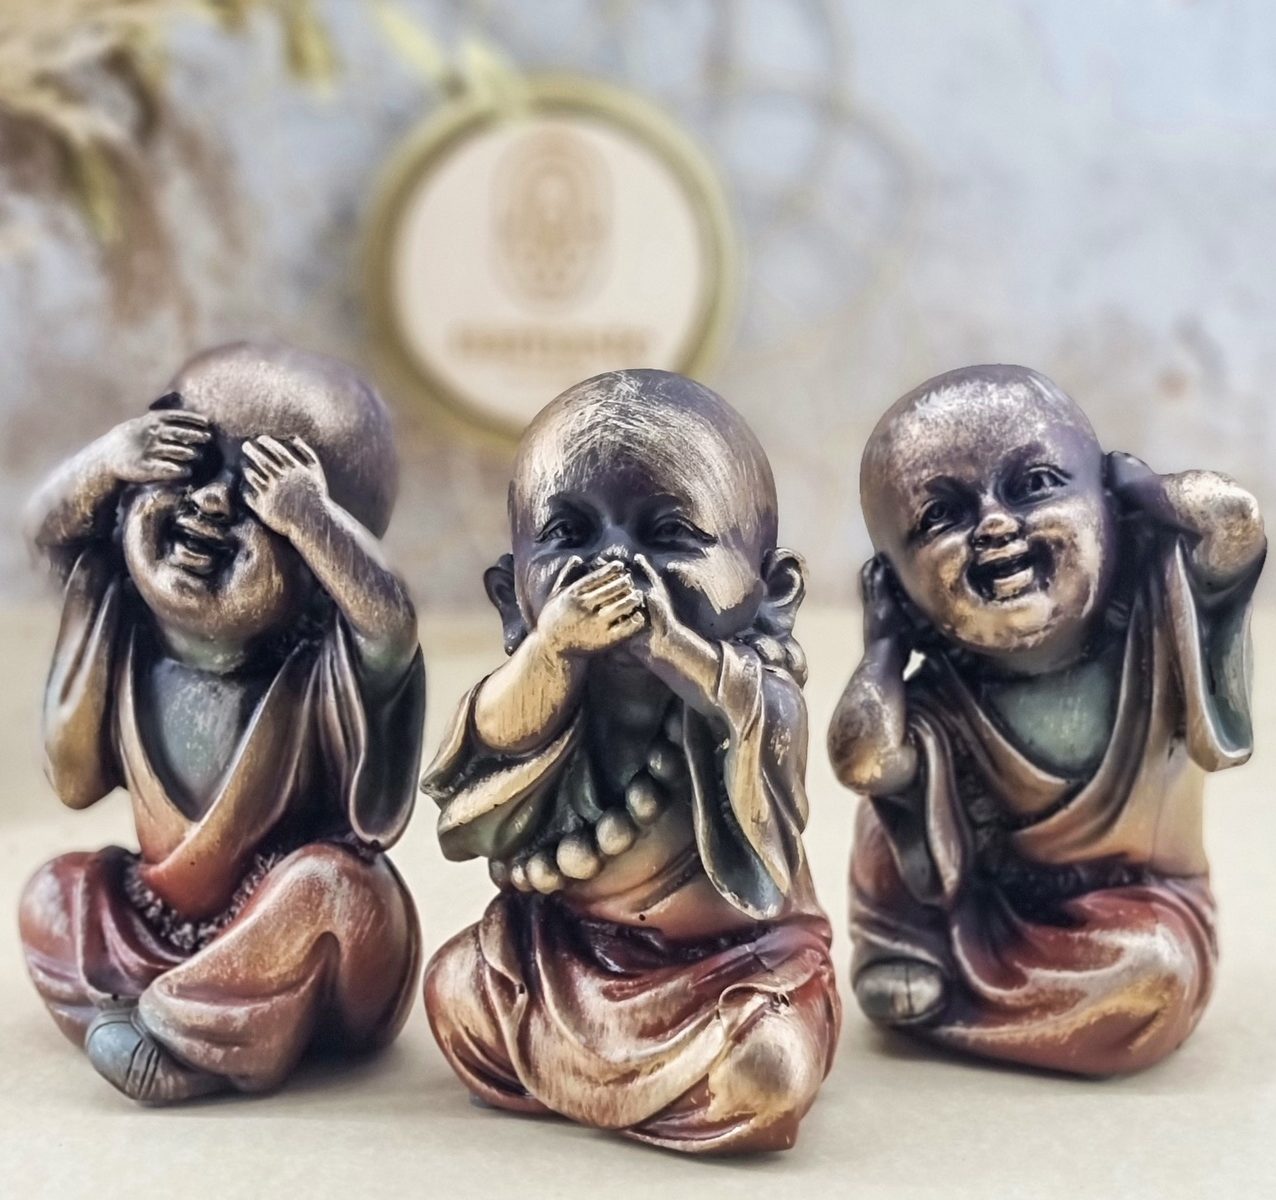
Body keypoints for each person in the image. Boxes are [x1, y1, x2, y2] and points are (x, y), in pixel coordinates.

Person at [422, 369, 839, 1153]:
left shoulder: (755, 698)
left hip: (735, 969)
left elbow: (753, 719)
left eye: (669, 533)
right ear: (511, 597)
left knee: (770, 1071)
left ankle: (658, 1087)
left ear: (774, 592)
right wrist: (551, 651)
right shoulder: (549, 681)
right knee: (454, 989)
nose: (613, 563)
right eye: (570, 535)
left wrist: (673, 646)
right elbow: (492, 736)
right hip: (566, 953)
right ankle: (598, 1079)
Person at [19, 341, 424, 1103]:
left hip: (299, 945)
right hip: (160, 920)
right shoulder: (119, 621)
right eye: (187, 462)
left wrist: (309, 515)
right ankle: (176, 1016)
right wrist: (105, 462)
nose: (209, 503)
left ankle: (191, 1034)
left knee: (336, 890)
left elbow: (390, 628)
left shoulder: (320, 661)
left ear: (320, 576)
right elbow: (44, 534)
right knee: (54, 894)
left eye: (256, 492)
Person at [830, 364, 1264, 1075]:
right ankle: (904, 948)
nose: (995, 526)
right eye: (940, 517)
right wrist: (882, 651)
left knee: (1156, 976)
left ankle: (962, 1016)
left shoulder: (1157, 624)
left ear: (1105, 505)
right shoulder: (941, 698)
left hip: (1137, 906)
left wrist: (1146, 492)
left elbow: (1235, 520)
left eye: (1035, 484)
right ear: (898, 586)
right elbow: (862, 759)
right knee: (894, 791)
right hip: (975, 915)